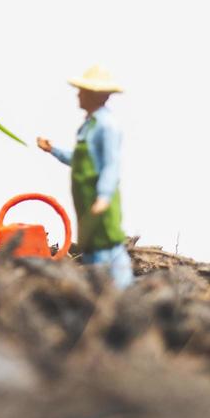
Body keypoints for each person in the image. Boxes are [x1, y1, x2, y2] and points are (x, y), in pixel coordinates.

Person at [36, 64, 132, 289]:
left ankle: (121, 290)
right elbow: (80, 160)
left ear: (96, 95)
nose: (78, 95)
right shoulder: (89, 126)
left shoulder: (107, 126)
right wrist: (53, 150)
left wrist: (104, 196)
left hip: (99, 198)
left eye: (83, 91)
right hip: (86, 199)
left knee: (108, 243)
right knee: (91, 245)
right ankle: (101, 289)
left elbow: (111, 164)